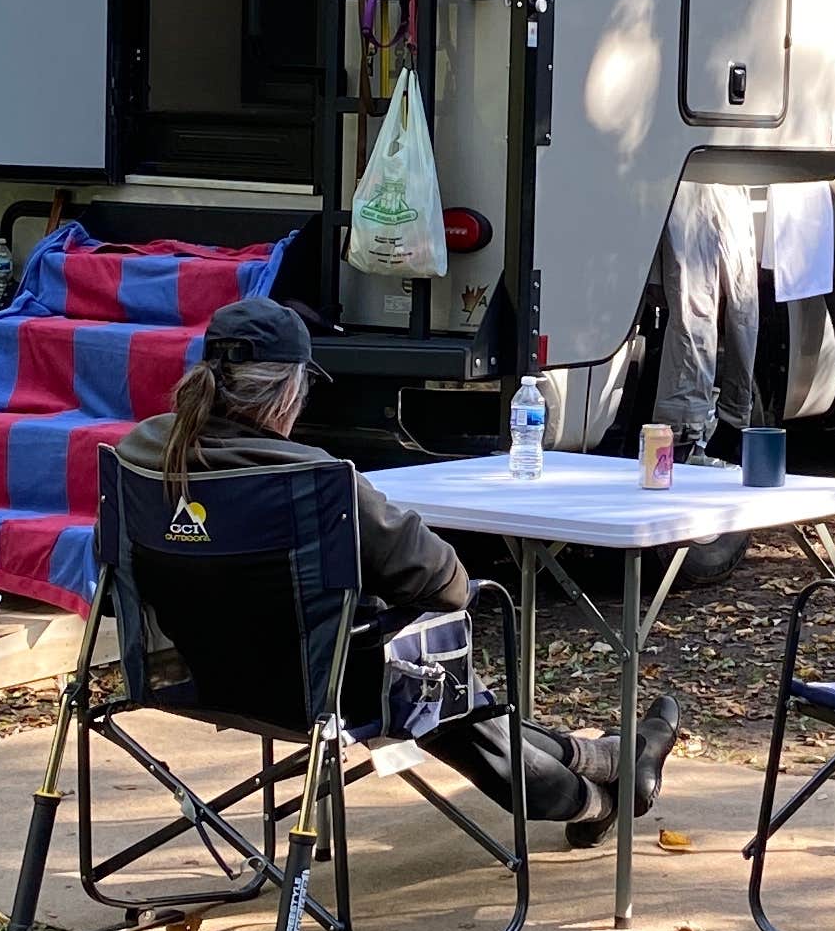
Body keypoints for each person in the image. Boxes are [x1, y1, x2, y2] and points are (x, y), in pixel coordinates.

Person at [119, 297, 681, 843]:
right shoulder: (315, 480)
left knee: (452, 698)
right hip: (324, 691)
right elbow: (448, 584)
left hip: (202, 677)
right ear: (288, 392)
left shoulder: (139, 454)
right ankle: (609, 794)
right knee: (436, 680)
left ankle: (615, 757)